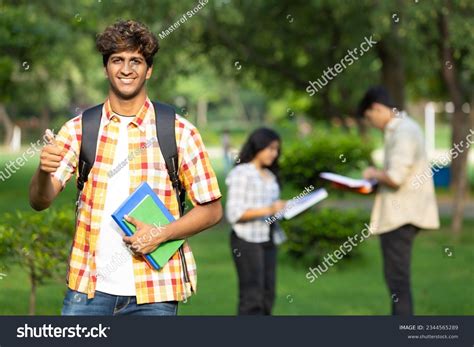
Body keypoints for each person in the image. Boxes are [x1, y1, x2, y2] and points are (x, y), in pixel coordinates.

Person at [28, 20, 223, 316]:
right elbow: (40, 201)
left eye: (136, 61)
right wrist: (43, 171)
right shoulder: (79, 130)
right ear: (106, 67)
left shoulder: (179, 131)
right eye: (117, 60)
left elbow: (212, 210)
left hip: (155, 293)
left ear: (149, 70)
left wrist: (162, 233)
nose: (127, 69)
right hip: (88, 292)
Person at [357, 86, 439, 315]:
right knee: (396, 281)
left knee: (398, 282)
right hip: (402, 214)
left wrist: (373, 174)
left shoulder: (404, 131)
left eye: (369, 117)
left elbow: (395, 177)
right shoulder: (402, 129)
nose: (371, 122)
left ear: (377, 108)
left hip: (400, 216)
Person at [225, 127, 287, 315]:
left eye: (276, 149)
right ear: (257, 147)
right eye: (270, 148)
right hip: (246, 241)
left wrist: (287, 209)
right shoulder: (242, 173)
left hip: (268, 238)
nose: (274, 154)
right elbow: (234, 213)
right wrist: (270, 209)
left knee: (268, 295)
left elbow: (273, 212)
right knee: (252, 297)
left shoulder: (270, 176)